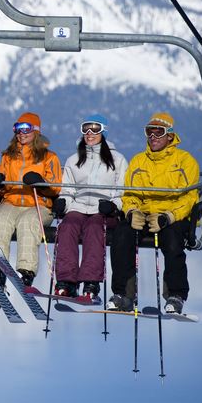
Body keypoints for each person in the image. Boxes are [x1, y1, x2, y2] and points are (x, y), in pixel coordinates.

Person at [107, 111, 200, 314]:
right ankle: (124, 294)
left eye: (159, 132)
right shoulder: (139, 161)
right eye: (149, 132)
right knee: (122, 234)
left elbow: (189, 197)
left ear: (170, 135)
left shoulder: (185, 161)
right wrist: (132, 211)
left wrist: (169, 216)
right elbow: (130, 193)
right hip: (146, 214)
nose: (153, 137)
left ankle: (175, 295)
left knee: (173, 238)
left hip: (173, 216)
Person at [52, 113, 128, 301]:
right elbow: (68, 188)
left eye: (95, 129)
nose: (89, 133)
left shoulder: (117, 159)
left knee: (94, 228)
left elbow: (122, 189)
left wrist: (113, 206)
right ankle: (66, 282)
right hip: (79, 206)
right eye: (85, 128)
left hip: (102, 209)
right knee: (68, 225)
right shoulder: (74, 159)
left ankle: (90, 282)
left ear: (104, 131)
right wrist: (64, 202)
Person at [0, 112, 61, 288]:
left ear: (35, 131)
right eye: (17, 129)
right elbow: (4, 184)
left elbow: (56, 186)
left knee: (28, 223)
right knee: (0, 221)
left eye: (26, 128)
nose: (21, 133)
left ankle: (26, 270)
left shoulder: (49, 157)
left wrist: (41, 184)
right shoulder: (8, 156)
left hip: (38, 203)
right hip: (11, 201)